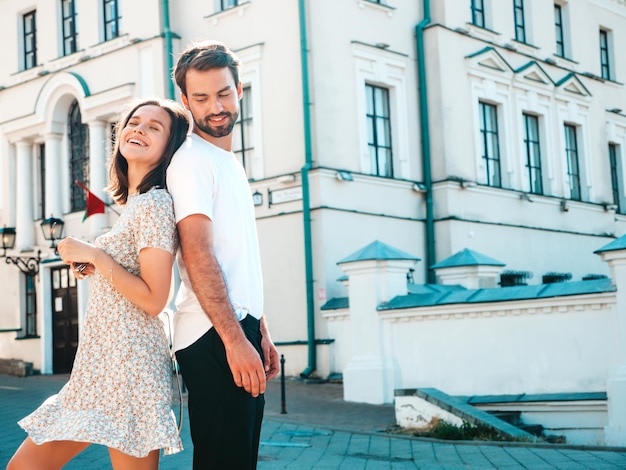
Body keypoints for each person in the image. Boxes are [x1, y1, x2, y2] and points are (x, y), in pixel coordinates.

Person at [7, 98, 190, 470]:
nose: (138, 128)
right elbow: (131, 280)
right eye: (134, 122)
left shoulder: (155, 203)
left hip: (129, 368)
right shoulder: (137, 204)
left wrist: (96, 256)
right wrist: (100, 268)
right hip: (99, 369)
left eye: (154, 127)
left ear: (170, 149)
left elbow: (155, 299)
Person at [166, 40, 280, 469]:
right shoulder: (193, 160)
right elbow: (199, 256)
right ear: (185, 101)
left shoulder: (227, 161)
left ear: (239, 90)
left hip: (236, 324)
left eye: (223, 93)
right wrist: (236, 339)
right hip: (212, 333)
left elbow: (237, 258)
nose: (215, 106)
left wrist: (260, 330)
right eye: (201, 98)